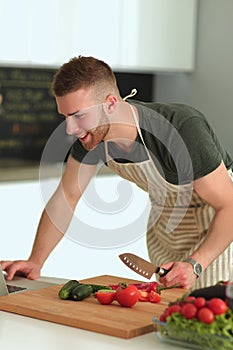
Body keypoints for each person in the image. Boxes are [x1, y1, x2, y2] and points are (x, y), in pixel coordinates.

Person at [1, 56, 233, 290]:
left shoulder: (181, 129)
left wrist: (194, 264)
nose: (71, 129)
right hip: (168, 229)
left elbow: (229, 206)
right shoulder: (92, 139)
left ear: (111, 103)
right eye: (65, 117)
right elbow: (67, 196)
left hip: (218, 226)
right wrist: (35, 261)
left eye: (79, 115)